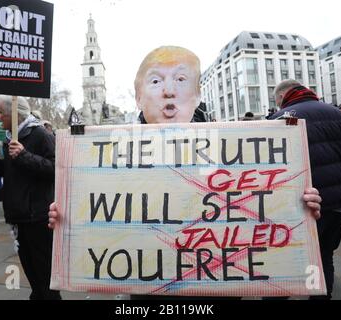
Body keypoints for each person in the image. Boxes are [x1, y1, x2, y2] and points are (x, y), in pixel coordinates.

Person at [48, 47, 322, 300]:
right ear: (138, 96)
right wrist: (69, 218)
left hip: (213, 290)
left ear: (197, 94)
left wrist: (297, 205)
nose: (169, 91)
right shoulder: (109, 156)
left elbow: (264, 206)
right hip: (149, 289)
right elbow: (98, 218)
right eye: (155, 81)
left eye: (181, 80)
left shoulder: (235, 149)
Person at [270, 79, 341, 300]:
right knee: (324, 256)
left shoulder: (282, 118)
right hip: (338, 200)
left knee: (286, 259)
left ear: (282, 97)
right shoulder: (337, 113)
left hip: (302, 202)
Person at [0, 95, 60, 300]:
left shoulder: (40, 134)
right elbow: (11, 172)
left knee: (45, 277)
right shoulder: (10, 137)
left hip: (38, 217)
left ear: (14, 114)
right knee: (32, 274)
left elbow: (55, 169)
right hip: (19, 217)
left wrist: (24, 155)